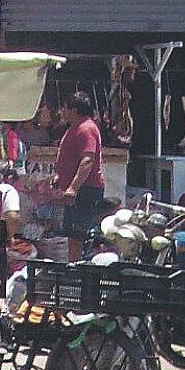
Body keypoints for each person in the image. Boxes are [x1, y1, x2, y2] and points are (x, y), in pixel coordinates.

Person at [54, 91, 105, 261]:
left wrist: (73, 188)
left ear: (74, 110)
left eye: (65, 108)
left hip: (85, 189)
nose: (63, 112)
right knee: (72, 232)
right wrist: (59, 177)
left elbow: (87, 160)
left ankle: (78, 270)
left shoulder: (86, 128)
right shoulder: (75, 128)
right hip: (77, 189)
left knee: (78, 233)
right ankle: (73, 267)